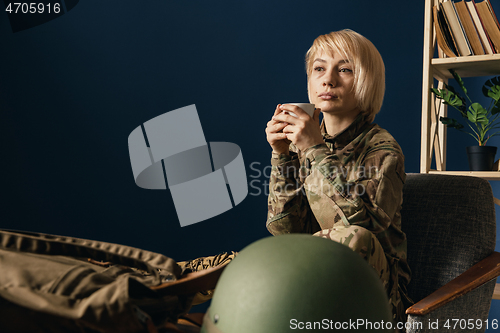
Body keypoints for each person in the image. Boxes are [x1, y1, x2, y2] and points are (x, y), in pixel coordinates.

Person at [265, 29, 412, 323]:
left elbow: (359, 229)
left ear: (366, 80)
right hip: (311, 288)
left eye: (344, 69)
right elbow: (286, 232)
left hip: (376, 302)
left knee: (354, 237)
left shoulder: (384, 150)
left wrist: (314, 150)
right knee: (253, 261)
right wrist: (282, 155)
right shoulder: (302, 143)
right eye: (319, 68)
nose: (328, 79)